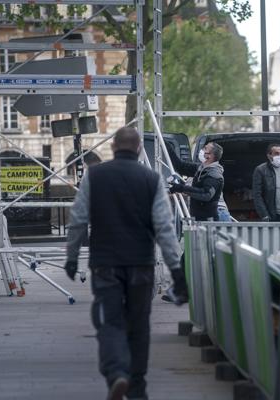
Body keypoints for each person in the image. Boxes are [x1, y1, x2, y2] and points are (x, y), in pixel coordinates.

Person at [64, 127, 188, 400]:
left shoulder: (95, 176)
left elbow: (78, 219)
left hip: (105, 263)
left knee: (110, 323)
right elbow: (164, 228)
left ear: (114, 147)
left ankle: (117, 373)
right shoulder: (151, 179)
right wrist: (176, 270)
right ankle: (137, 387)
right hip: (141, 265)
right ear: (139, 148)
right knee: (139, 325)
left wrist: (71, 257)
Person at [167, 142, 224, 221]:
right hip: (200, 218)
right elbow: (181, 167)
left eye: (205, 148)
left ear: (210, 155)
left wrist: (182, 188)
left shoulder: (214, 174)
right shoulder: (201, 168)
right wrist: (169, 148)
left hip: (212, 220)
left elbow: (206, 194)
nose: (202, 150)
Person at [252, 144, 280, 222]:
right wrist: (264, 215)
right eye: (276, 153)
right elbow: (257, 195)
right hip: (273, 215)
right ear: (269, 155)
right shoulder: (261, 170)